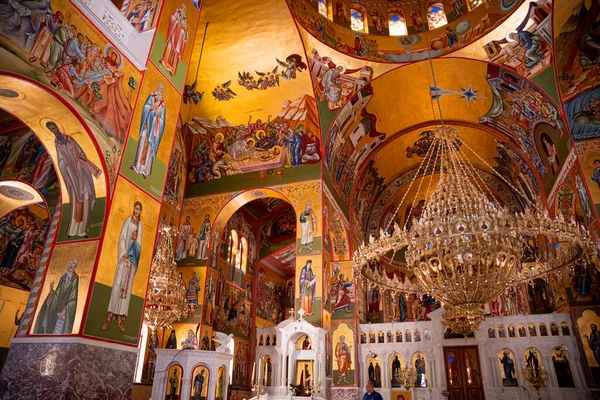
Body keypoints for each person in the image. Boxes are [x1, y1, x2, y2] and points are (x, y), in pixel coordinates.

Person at [48, 121, 101, 238]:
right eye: (51, 129)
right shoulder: (57, 143)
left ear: (57, 127)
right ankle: (73, 231)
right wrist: (64, 164)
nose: (54, 131)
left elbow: (81, 151)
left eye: (54, 127)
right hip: (71, 175)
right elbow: (60, 159)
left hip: (82, 171)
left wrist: (80, 161)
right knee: (76, 202)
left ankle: (83, 230)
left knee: (86, 198)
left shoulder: (69, 139)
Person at [102, 202, 143, 333]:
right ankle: (109, 317)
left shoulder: (140, 225)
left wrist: (133, 256)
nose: (137, 211)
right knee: (117, 286)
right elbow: (122, 238)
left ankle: (119, 319)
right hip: (124, 257)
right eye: (136, 208)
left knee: (125, 291)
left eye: (139, 210)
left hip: (131, 262)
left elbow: (139, 243)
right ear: (133, 209)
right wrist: (124, 254)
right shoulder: (128, 220)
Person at [34, 259, 79, 334]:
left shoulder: (75, 279)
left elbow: (73, 297)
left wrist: (66, 308)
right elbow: (58, 293)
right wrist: (52, 291)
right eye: (70, 268)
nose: (70, 270)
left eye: (72, 268)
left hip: (65, 305)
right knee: (50, 315)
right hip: (57, 306)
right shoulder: (63, 278)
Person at [131, 82, 166, 177]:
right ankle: (137, 165)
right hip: (147, 126)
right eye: (158, 88)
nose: (159, 90)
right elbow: (146, 107)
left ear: (162, 91)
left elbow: (162, 121)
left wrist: (157, 116)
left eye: (161, 89)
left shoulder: (163, 105)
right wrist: (152, 108)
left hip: (153, 131)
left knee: (149, 148)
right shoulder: (151, 96)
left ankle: (145, 170)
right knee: (142, 143)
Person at [160, 3, 188, 76]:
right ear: (181, 8)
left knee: (175, 52)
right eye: (183, 10)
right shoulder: (177, 12)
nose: (184, 12)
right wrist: (176, 22)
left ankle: (172, 69)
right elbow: (172, 17)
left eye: (185, 11)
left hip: (178, 38)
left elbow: (185, 29)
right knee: (170, 47)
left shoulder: (184, 19)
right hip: (174, 33)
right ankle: (165, 61)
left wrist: (183, 31)